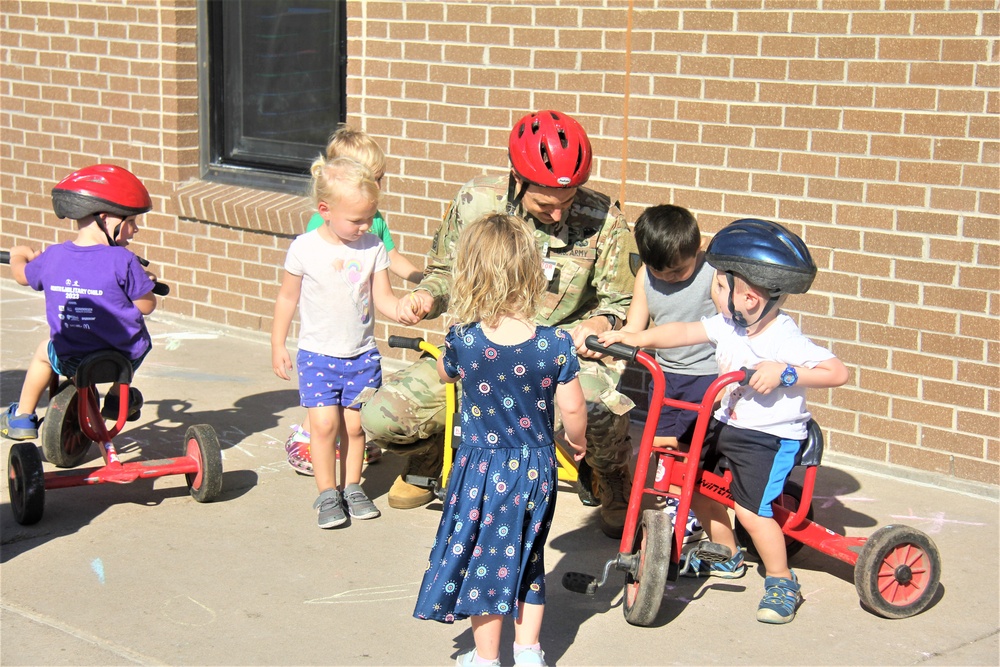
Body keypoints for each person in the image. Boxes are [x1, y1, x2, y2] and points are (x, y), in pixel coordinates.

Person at [361, 110, 638, 539]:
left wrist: (598, 324)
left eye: (567, 200)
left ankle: (610, 475)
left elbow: (622, 302)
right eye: (545, 202)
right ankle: (431, 457)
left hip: (562, 351)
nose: (557, 212)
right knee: (382, 419)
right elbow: (446, 272)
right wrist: (426, 296)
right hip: (485, 350)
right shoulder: (477, 203)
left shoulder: (605, 220)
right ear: (517, 178)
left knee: (597, 413)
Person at [599, 218, 849, 624]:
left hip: (768, 436)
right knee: (692, 479)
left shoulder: (784, 338)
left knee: (752, 511)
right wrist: (636, 337)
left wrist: (786, 372)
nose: (712, 291)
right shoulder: (730, 324)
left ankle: (782, 580)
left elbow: (837, 372)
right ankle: (727, 553)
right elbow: (682, 331)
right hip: (726, 421)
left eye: (718, 285)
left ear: (748, 296)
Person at [412, 213, 587, 667]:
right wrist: (578, 442)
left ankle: (486, 658)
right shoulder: (554, 345)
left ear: (469, 275)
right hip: (534, 468)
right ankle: (528, 652)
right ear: (531, 273)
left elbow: (443, 371)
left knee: (484, 560)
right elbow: (572, 408)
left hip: (480, 471)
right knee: (526, 555)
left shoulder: (463, 341)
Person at [270, 156, 420, 529]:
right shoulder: (304, 248)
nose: (366, 226)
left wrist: (401, 309)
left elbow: (382, 297)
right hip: (318, 356)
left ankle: (352, 487)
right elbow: (287, 298)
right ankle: (327, 493)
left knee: (355, 429)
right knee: (323, 427)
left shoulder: (372, 247)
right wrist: (278, 344)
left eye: (369, 217)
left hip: (362, 355)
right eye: (356, 220)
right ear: (325, 210)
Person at [1, 165, 157, 440]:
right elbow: (146, 306)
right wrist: (145, 284)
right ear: (106, 218)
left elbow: (21, 276)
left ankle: (23, 417)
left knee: (42, 354)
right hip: (120, 359)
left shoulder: (53, 257)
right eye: (131, 221)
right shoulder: (124, 260)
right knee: (138, 337)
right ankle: (115, 396)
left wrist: (18, 255)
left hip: (70, 359)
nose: (135, 229)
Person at [622, 204, 717, 544]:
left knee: (695, 451)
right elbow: (636, 325)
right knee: (659, 444)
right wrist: (616, 338)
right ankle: (668, 505)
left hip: (708, 378)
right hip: (665, 377)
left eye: (677, 271)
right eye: (658, 271)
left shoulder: (713, 274)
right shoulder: (645, 276)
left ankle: (689, 510)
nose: (667, 278)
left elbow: (730, 327)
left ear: (697, 248)